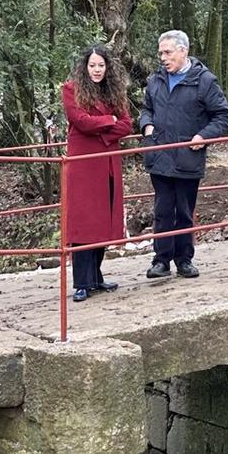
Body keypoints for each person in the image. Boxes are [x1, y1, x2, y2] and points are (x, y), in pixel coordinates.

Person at [139, 30, 228, 279]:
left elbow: (222, 115)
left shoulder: (204, 81)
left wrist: (204, 136)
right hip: (159, 155)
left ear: (183, 51)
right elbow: (146, 109)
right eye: (160, 53)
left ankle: (184, 260)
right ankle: (160, 260)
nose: (163, 58)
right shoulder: (155, 80)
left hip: (188, 156)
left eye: (167, 52)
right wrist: (146, 125)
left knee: (184, 211)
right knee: (162, 210)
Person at [62, 45, 133, 302]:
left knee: (103, 218)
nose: (96, 70)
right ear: (85, 67)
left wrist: (106, 129)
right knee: (83, 221)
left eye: (101, 66)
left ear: (107, 67)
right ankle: (82, 282)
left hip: (106, 161)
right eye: (92, 65)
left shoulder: (114, 91)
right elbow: (80, 120)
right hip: (84, 164)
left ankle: (96, 277)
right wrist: (109, 122)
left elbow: (127, 124)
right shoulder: (71, 89)